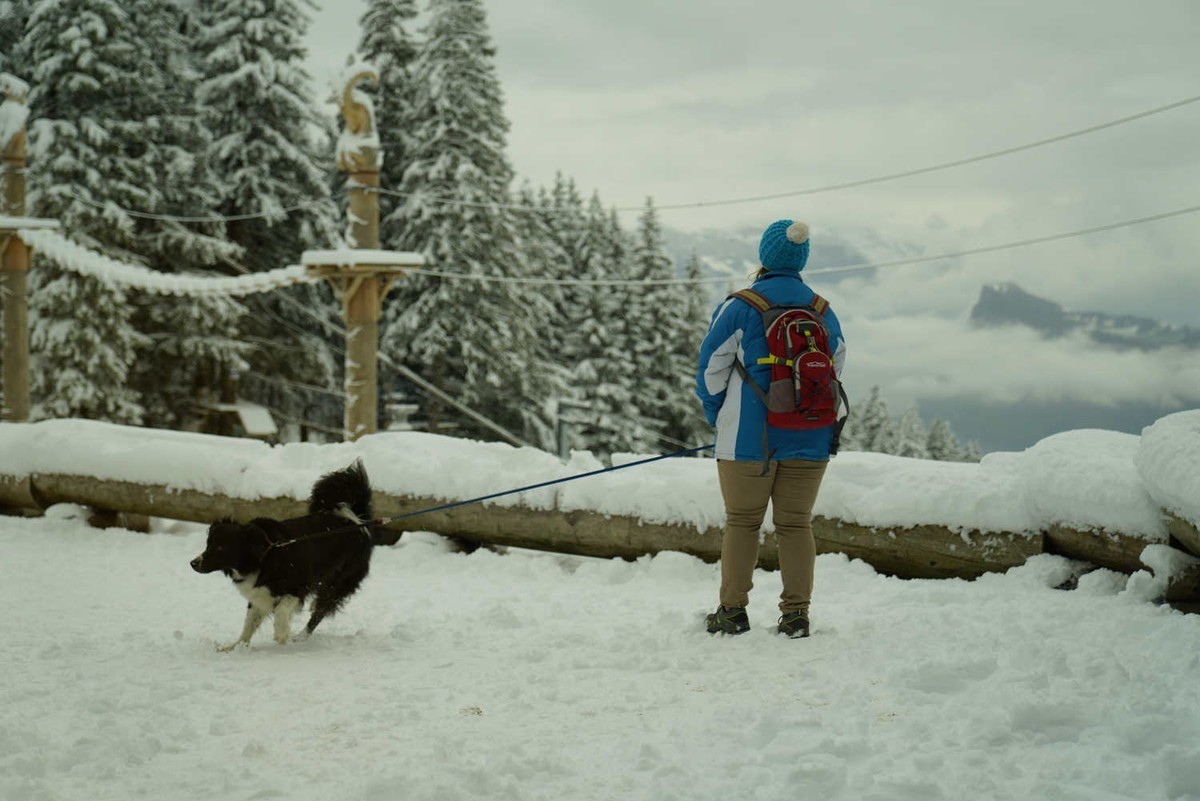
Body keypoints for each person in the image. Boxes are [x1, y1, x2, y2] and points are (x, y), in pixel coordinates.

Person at [694, 219, 846, 638]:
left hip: (748, 440)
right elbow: (836, 366)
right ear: (802, 259)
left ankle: (732, 612)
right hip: (812, 434)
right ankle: (797, 615)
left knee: (743, 522)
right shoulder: (822, 310)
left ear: (764, 255)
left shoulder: (740, 306)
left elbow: (711, 372)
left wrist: (717, 415)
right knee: (796, 524)